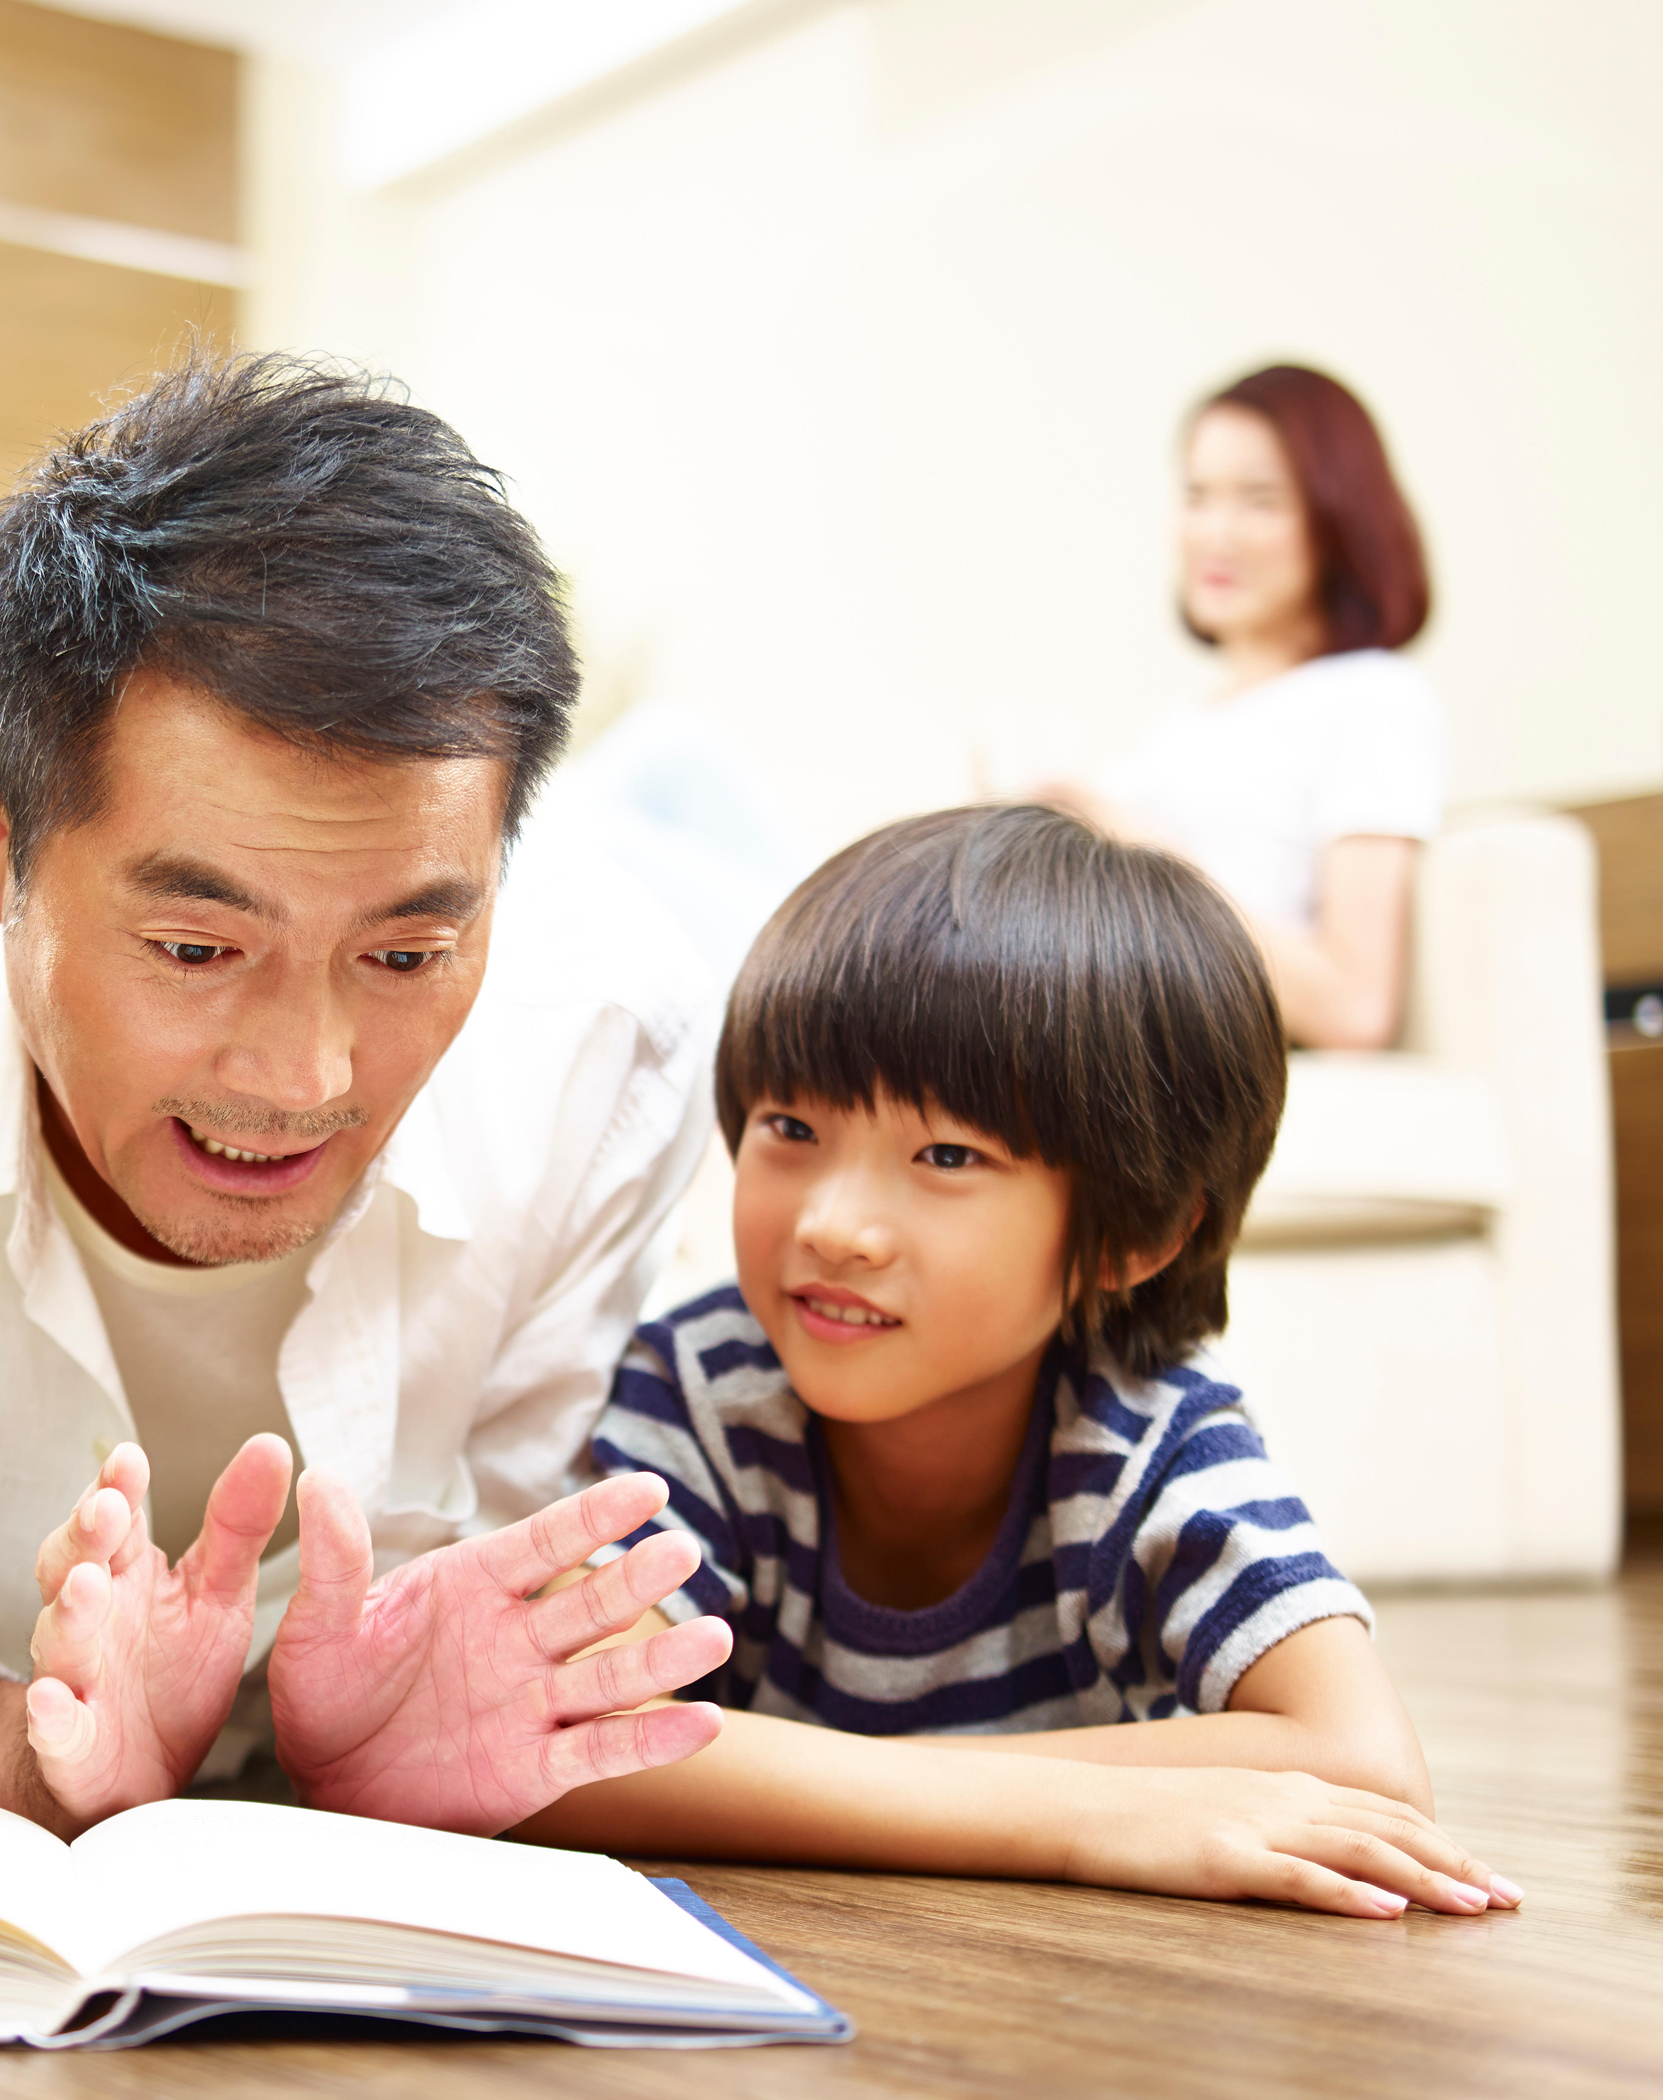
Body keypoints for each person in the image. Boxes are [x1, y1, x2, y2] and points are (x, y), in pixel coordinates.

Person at [0, 353, 733, 1833]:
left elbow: (488, 1575)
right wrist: (28, 1759)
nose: (305, 1078)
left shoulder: (606, 1042)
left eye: (405, 951)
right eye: (197, 947)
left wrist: (414, 1721)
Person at [528, 804, 1523, 1920]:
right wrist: (1081, 1816)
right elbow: (553, 1738)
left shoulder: (1150, 1438)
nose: (833, 1224)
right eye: (789, 1129)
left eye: (946, 1154)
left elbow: (1366, 1764)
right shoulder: (707, 1387)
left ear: (1141, 1231)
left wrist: (787, 1780)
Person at [1047, 364, 1441, 1050]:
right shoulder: (1180, 727)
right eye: (1197, 496)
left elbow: (1353, 1006)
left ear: (1338, 519)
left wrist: (1134, 847)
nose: (1214, 533)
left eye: (1260, 500)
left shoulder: (1371, 697)